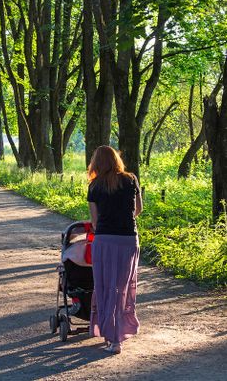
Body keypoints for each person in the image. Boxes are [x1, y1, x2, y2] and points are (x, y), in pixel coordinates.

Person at [87, 145, 143, 354]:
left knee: (105, 287)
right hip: (128, 240)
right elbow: (138, 209)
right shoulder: (131, 180)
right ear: (116, 160)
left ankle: (112, 337)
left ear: (96, 163)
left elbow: (94, 221)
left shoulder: (94, 186)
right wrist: (123, 220)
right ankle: (120, 332)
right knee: (123, 287)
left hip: (104, 241)